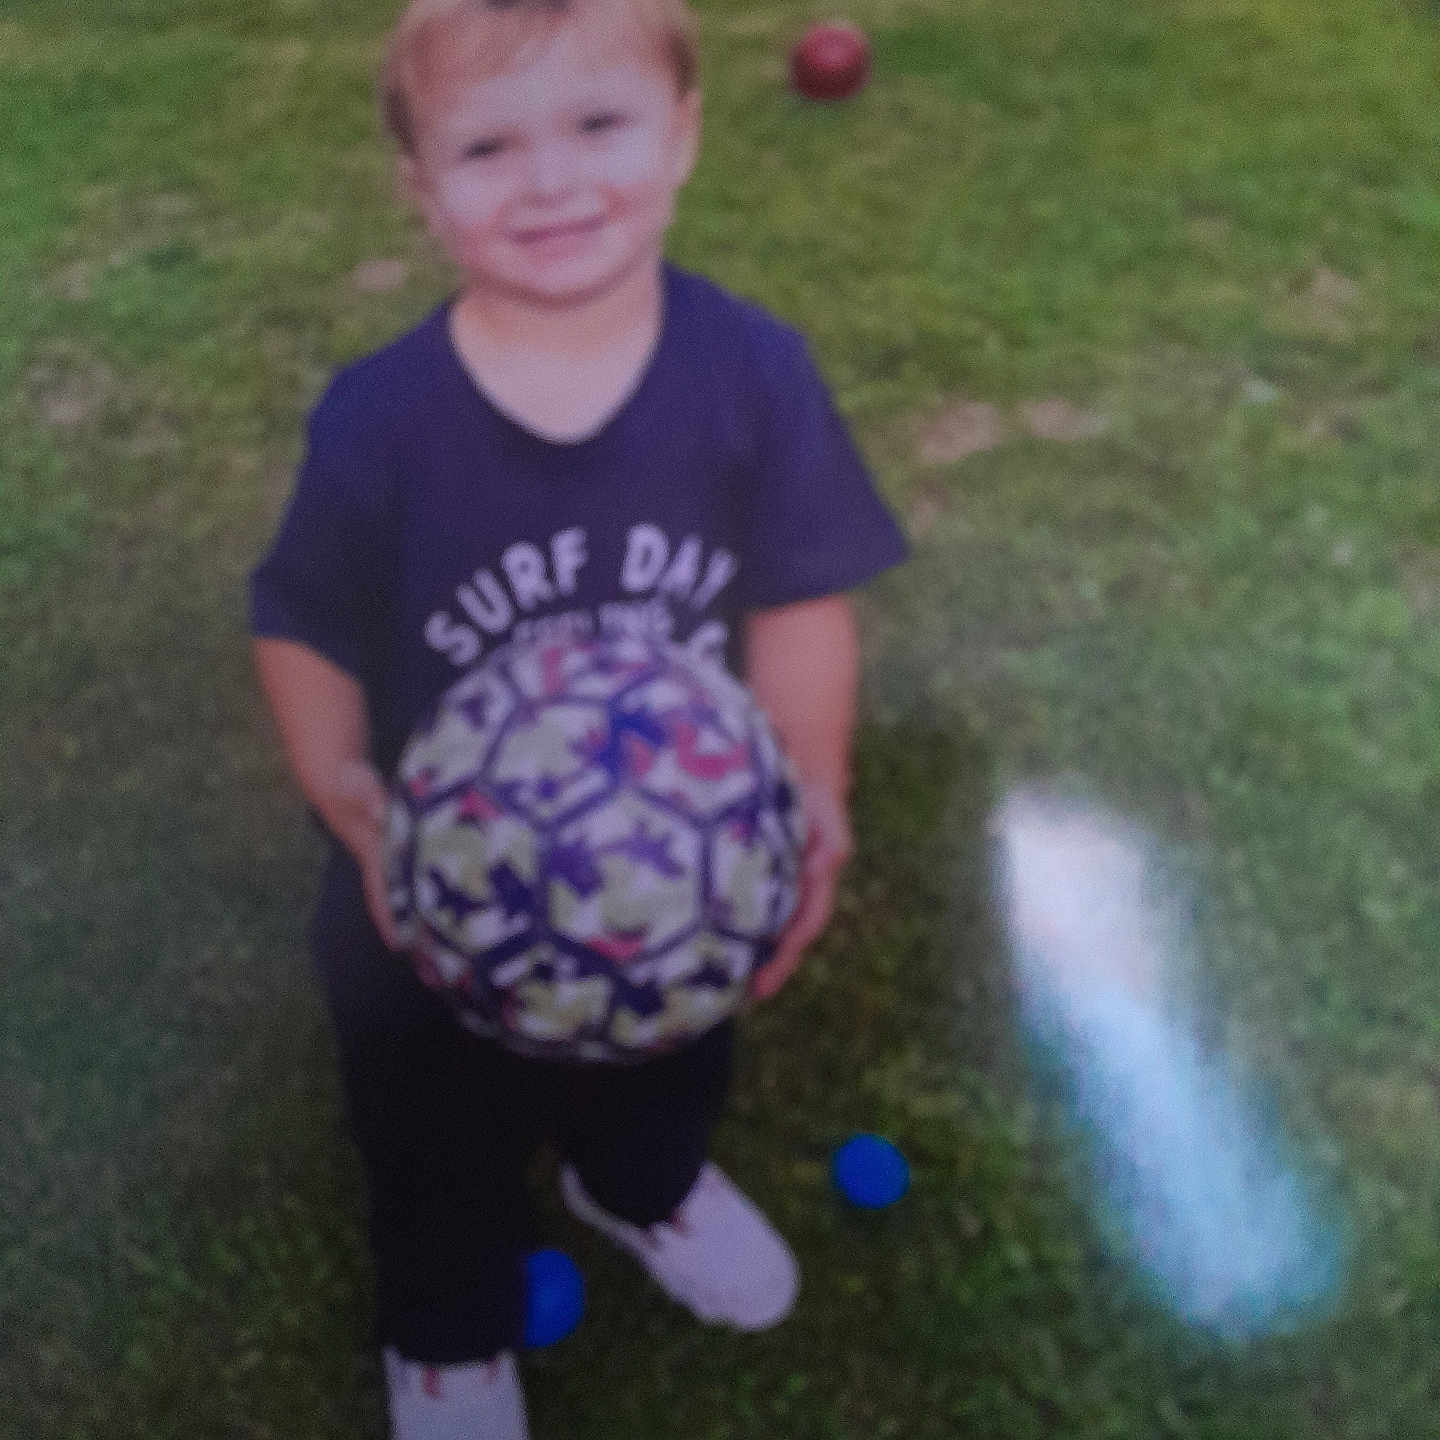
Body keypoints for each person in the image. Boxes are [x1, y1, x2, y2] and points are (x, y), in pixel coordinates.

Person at [248, 0, 908, 1433]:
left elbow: (801, 600)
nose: (550, 184)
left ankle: (643, 1192)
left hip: (683, 887)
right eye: (488, 146)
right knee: (432, 1147)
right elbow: (298, 618)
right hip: (431, 905)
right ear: (421, 190)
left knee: (672, 1071)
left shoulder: (752, 375)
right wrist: (346, 790)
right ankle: (446, 1331)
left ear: (682, 136)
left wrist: (818, 786)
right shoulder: (381, 421)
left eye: (599, 125)